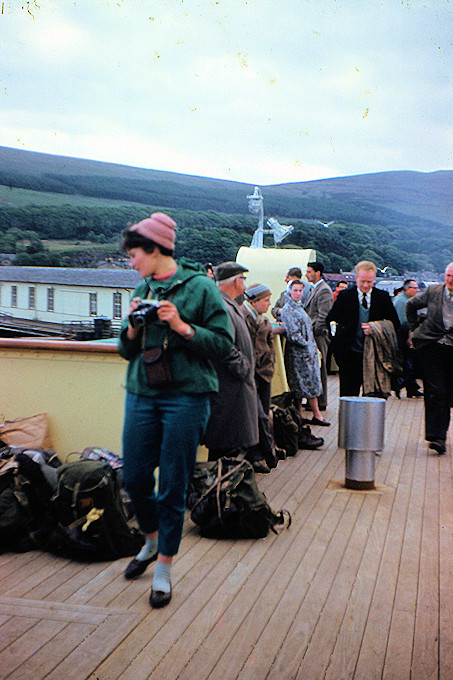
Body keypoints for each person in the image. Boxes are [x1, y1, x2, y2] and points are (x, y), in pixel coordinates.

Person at [117, 213, 232, 608]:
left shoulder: (200, 287)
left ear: (154, 250)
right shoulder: (142, 287)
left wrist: (181, 326)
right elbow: (124, 350)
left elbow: (222, 345)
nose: (131, 263)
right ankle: (150, 541)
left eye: (134, 255)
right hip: (142, 392)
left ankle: (164, 566)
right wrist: (133, 326)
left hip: (186, 396)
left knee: (172, 484)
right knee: (132, 476)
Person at [203, 261, 262, 469]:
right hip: (229, 394)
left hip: (233, 392)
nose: (245, 285)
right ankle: (220, 498)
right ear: (236, 281)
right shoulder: (221, 307)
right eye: (243, 280)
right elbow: (223, 347)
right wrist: (245, 369)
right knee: (225, 455)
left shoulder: (225, 304)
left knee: (230, 451)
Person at [326, 260, 400, 397]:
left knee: (373, 399)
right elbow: (330, 320)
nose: (366, 285)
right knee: (348, 397)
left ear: (374, 280)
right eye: (362, 281)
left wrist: (376, 327)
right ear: (356, 278)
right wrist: (337, 346)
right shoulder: (345, 296)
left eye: (369, 282)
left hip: (375, 356)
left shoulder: (382, 297)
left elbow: (395, 324)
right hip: (349, 356)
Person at [406, 262, 453, 455]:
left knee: (448, 392)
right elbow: (411, 305)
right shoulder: (434, 291)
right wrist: (415, 328)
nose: (451, 280)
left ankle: (440, 432)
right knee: (435, 390)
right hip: (432, 346)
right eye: (449, 276)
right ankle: (436, 437)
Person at [241, 283, 282, 470]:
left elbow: (268, 343)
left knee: (263, 414)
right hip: (249, 374)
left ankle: (262, 453)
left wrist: (270, 364)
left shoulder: (262, 319)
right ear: (255, 301)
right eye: (266, 300)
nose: (269, 304)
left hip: (264, 373)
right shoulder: (243, 317)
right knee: (255, 417)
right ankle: (261, 454)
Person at [280, 280, 330, 426]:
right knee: (306, 385)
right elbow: (293, 334)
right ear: (289, 291)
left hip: (306, 353)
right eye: (295, 290)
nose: (298, 294)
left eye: (300, 291)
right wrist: (307, 345)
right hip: (299, 354)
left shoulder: (299, 307)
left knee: (305, 385)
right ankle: (315, 415)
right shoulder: (288, 309)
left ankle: (301, 414)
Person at [304, 261, 334, 410]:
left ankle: (321, 401)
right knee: (315, 367)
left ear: (318, 273)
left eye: (309, 272)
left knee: (320, 368)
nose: (307, 274)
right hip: (314, 334)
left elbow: (324, 316)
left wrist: (314, 331)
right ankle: (315, 400)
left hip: (319, 335)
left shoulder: (324, 290)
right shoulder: (314, 289)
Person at [392, 279, 423, 398]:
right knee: (408, 361)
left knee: (409, 362)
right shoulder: (402, 302)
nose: (417, 290)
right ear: (407, 289)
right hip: (403, 336)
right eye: (415, 288)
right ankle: (400, 384)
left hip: (404, 334)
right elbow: (404, 321)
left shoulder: (405, 300)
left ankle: (412, 388)